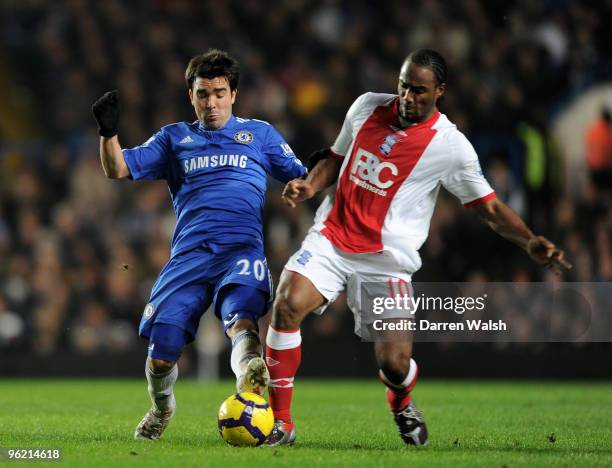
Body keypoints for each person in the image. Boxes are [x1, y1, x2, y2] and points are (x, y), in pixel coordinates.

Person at [264, 49, 572, 446]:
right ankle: (282, 423)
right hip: (332, 237)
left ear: (439, 92)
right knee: (286, 305)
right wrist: (309, 185)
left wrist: (530, 241)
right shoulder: (366, 107)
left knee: (394, 364)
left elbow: (490, 207)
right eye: (404, 86)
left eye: (419, 91)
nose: (408, 97)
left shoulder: (451, 146)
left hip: (388, 261)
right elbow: (335, 159)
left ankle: (401, 401)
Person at [91, 49, 306, 440]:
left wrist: (300, 191)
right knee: (161, 355)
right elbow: (117, 168)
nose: (212, 102)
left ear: (234, 94)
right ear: (190, 95)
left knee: (243, 322)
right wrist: (108, 133)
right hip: (189, 257)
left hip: (241, 251)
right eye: (203, 94)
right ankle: (161, 407)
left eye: (219, 93)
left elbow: (304, 178)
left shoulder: (260, 135)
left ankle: (251, 394)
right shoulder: (174, 138)